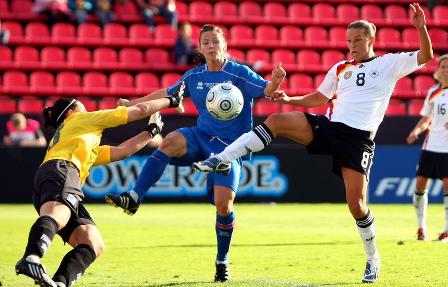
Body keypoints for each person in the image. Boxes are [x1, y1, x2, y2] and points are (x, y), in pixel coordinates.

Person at [193, 4, 433, 283]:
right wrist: (288, 100)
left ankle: (372, 258)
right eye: (348, 40)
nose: (351, 45)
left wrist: (420, 27)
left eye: (357, 40)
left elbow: (426, 56)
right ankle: (222, 157)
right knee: (278, 120)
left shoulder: (388, 64)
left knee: (356, 206)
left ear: (371, 39)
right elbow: (319, 98)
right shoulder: (340, 68)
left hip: (358, 139)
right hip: (329, 127)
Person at [105, 24, 286, 282]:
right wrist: (132, 103)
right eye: (206, 43)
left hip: (230, 148)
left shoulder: (238, 73)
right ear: (200, 48)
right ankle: (134, 197)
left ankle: (222, 261)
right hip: (200, 138)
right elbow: (167, 94)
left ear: (225, 45)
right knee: (168, 141)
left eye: (215, 42)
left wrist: (276, 80)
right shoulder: (194, 76)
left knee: (224, 206)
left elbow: (266, 90)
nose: (211, 47)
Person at [15, 88, 183, 287]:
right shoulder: (80, 120)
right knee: (58, 213)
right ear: (70, 112)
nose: (86, 108)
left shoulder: (80, 137)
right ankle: (31, 257)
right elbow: (141, 109)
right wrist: (171, 100)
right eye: (80, 104)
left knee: (92, 242)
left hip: (58, 174)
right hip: (63, 170)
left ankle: (60, 283)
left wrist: (151, 132)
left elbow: (122, 151)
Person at [407, 54, 448, 242]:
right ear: (438, 70)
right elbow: (426, 119)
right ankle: (421, 227)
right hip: (430, 146)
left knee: (447, 187)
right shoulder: (433, 92)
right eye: (443, 67)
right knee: (420, 185)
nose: (446, 70)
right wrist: (416, 131)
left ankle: (446, 230)